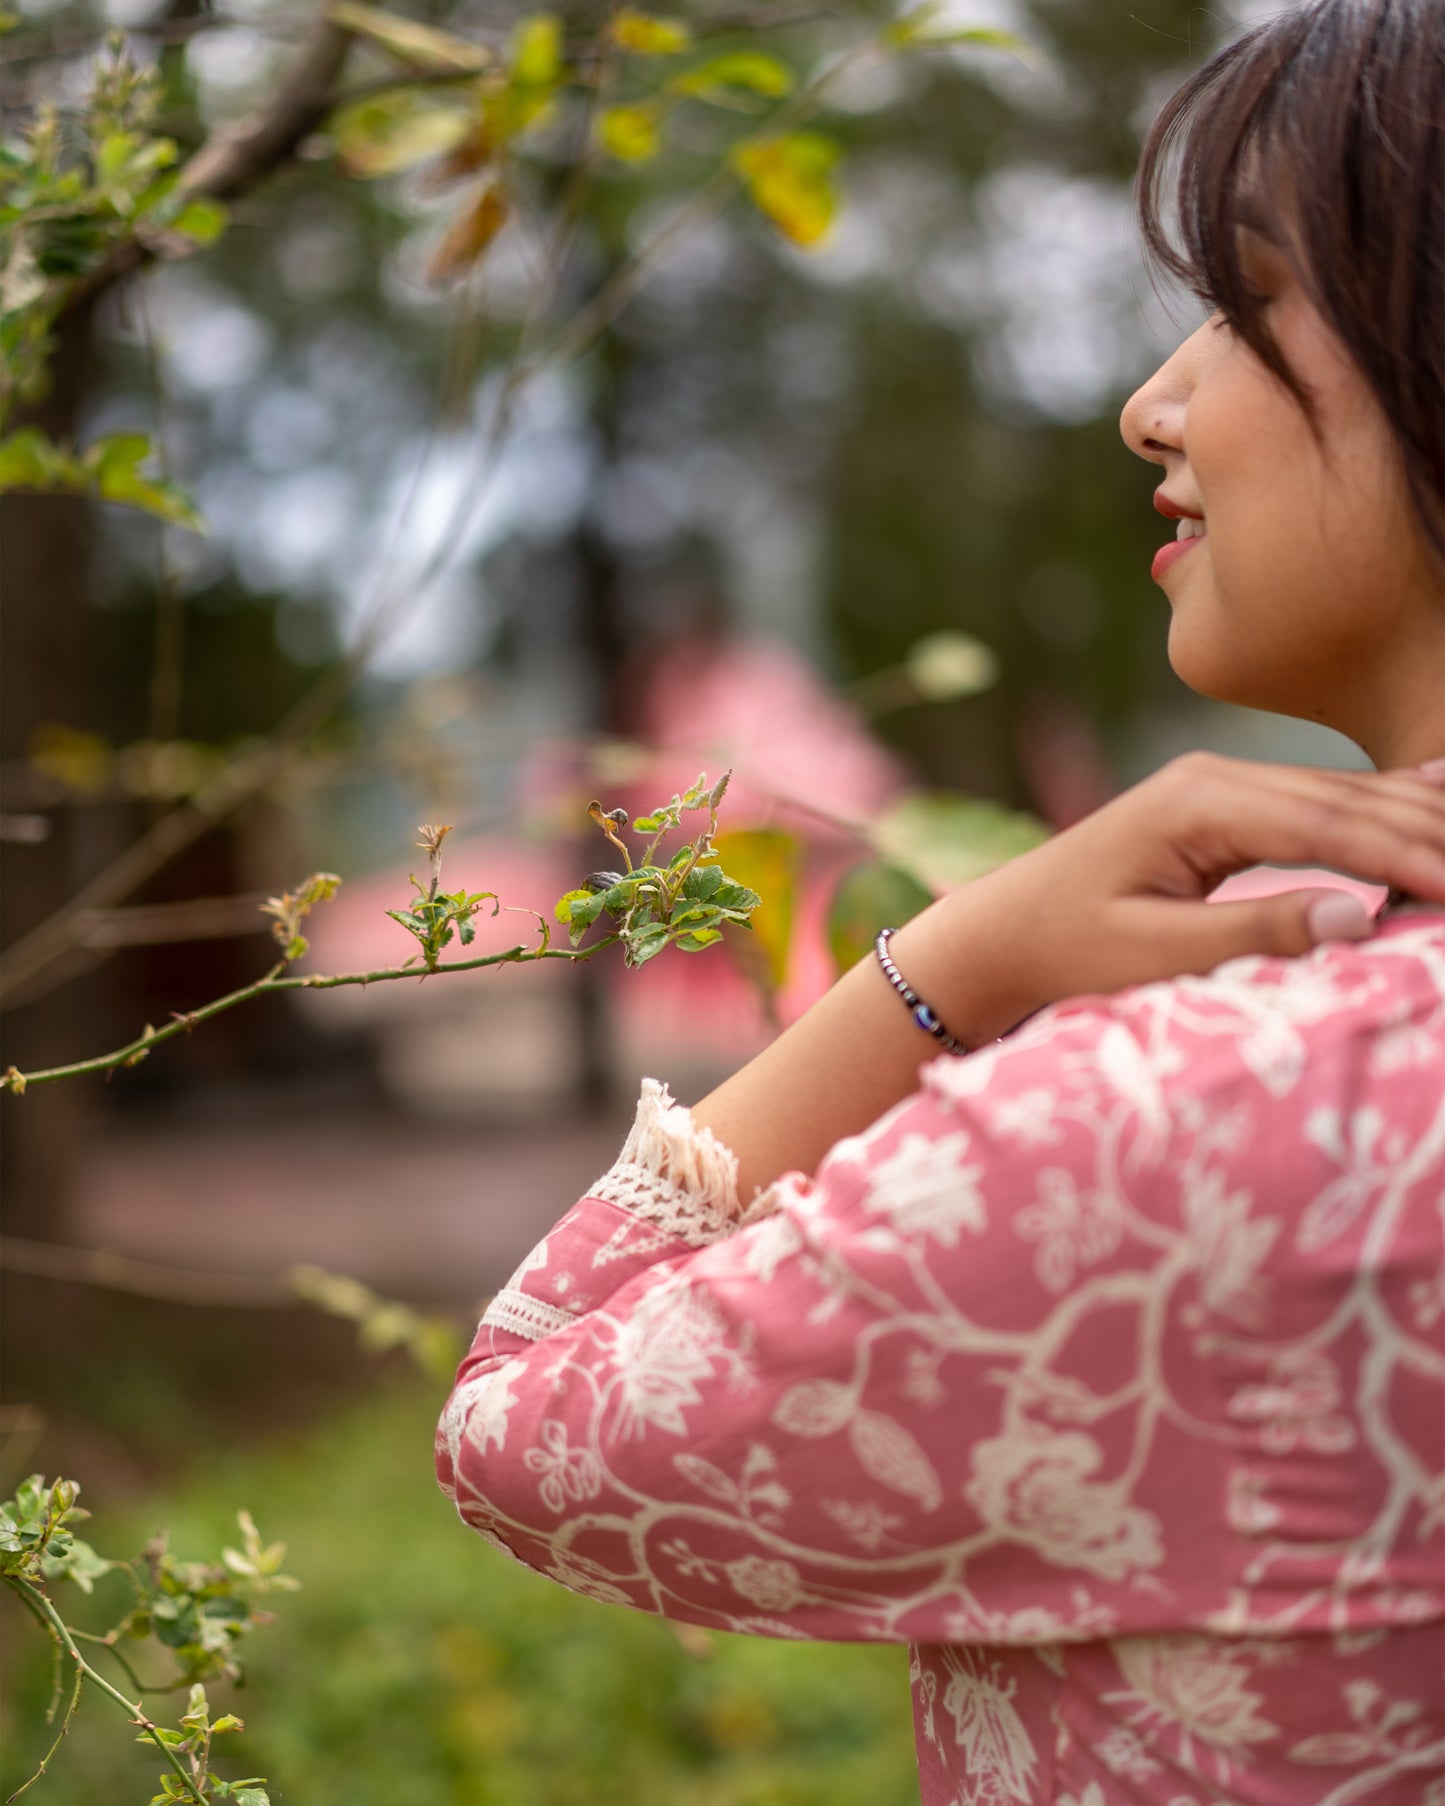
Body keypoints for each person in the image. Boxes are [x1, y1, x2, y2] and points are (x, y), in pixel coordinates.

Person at [436, 2, 1445, 1800]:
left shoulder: (1194, 1123)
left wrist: (946, 961)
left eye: (1248, 300)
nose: (1155, 402)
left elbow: (522, 1422)